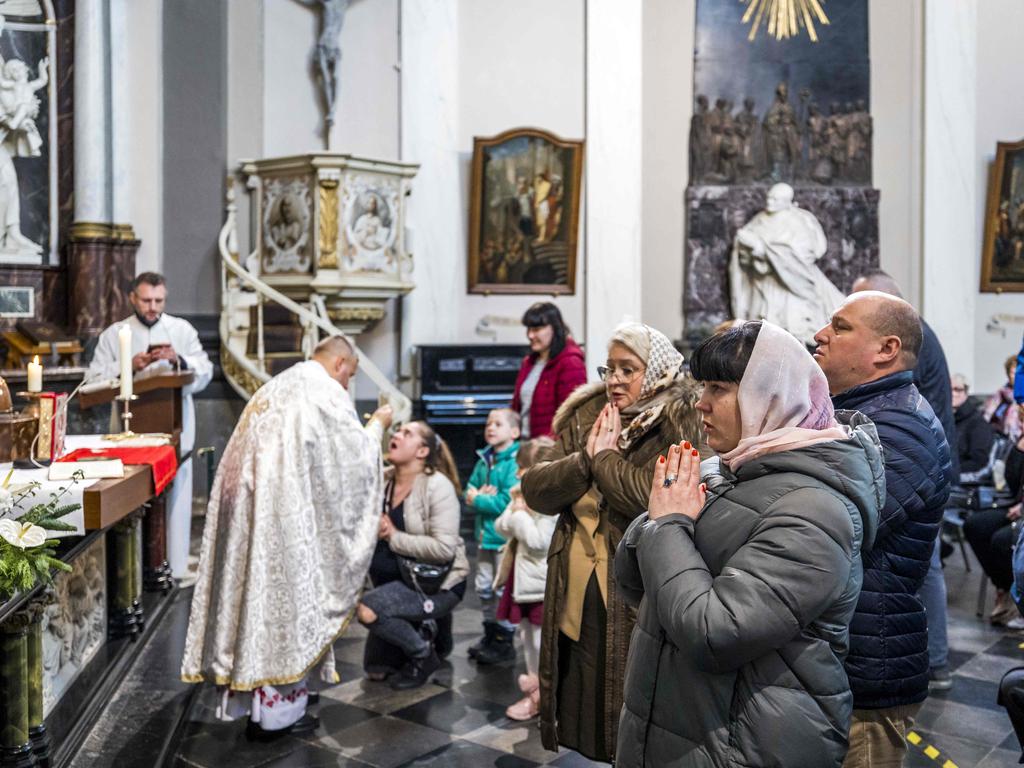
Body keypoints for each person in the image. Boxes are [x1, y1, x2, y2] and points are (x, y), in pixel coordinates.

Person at [614, 321, 882, 768]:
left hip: (746, 741)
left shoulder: (815, 510)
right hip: (690, 724)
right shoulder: (731, 470)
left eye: (717, 388)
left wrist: (668, 524)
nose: (700, 403)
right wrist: (661, 518)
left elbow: (715, 634)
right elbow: (638, 586)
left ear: (770, 395)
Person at [180, 336, 393, 736]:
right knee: (287, 609)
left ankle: (263, 705)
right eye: (351, 375)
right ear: (341, 364)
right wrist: (378, 426)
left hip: (253, 515)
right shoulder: (323, 392)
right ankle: (277, 718)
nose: (348, 384)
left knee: (261, 609)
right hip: (285, 523)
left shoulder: (277, 385)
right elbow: (353, 461)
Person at [521, 322, 702, 762]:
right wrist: (583, 458)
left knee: (635, 695)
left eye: (628, 369)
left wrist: (602, 459)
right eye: (609, 368)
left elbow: (657, 496)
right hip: (577, 580)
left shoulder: (683, 419)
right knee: (584, 691)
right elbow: (536, 489)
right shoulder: (586, 413)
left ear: (655, 369)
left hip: (637, 587)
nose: (615, 380)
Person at [812, 291, 952, 763]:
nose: (821, 334)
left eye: (841, 326)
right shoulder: (864, 413)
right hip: (849, 654)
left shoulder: (900, 427)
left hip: (870, 668)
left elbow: (830, 524)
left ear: (886, 349)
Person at [851, 269, 959, 693]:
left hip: (922, 459)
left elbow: (915, 415)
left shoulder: (918, 337)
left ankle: (938, 659)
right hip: (923, 454)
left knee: (923, 563)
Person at [88, 272, 213, 580]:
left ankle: (176, 564)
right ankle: (134, 572)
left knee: (178, 496)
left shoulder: (181, 330)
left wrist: (178, 360)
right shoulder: (115, 334)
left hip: (175, 425)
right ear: (133, 298)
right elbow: (92, 381)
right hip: (131, 428)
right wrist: (130, 366)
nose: (153, 306)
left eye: (159, 300)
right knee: (132, 498)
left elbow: (206, 369)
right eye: (146, 300)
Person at [357, 421, 469, 690]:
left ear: (422, 451)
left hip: (434, 583)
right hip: (392, 581)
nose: (396, 434)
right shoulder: (382, 480)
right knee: (376, 671)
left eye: (407, 433)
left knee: (367, 610)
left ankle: (423, 653)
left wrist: (393, 536)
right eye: (396, 431)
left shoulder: (436, 486)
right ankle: (426, 627)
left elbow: (443, 549)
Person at [729, 182, 844, 346]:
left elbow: (805, 255)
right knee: (760, 336)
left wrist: (765, 250)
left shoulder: (800, 221)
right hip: (764, 284)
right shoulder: (759, 220)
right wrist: (750, 251)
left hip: (792, 286)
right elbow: (744, 253)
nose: (770, 202)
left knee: (793, 332)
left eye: (776, 200)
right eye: (769, 198)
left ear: (787, 202)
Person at [492, 438, 558, 721]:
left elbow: (538, 540)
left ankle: (544, 695)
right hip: (523, 582)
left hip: (539, 584)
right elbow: (500, 526)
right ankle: (535, 689)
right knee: (527, 637)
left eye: (522, 468)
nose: (517, 474)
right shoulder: (522, 496)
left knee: (542, 642)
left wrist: (519, 516)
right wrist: (516, 511)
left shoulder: (548, 503)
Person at [465, 408, 521, 664]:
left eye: (498, 424)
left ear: (514, 432)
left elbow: (504, 502)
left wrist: (481, 498)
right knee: (483, 587)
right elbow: (469, 490)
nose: (490, 427)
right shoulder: (483, 460)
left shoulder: (514, 462)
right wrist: (479, 497)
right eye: (488, 423)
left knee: (501, 590)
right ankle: (490, 632)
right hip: (485, 536)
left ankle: (504, 639)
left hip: (502, 540)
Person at [965, 431, 1024, 627]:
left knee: (1002, 540)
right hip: (1015, 505)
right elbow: (1013, 482)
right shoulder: (1019, 435)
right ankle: (1005, 588)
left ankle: (1016, 597)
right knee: (975, 526)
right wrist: (1019, 448)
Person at [510, 302, 587, 439]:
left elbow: (570, 417)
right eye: (529, 329)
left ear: (555, 328)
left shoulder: (570, 362)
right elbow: (517, 408)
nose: (530, 335)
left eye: (536, 329)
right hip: (524, 447)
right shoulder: (529, 362)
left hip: (547, 450)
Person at [952, 373, 995, 482]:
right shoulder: (946, 418)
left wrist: (948, 472)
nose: (952, 393)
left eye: (957, 389)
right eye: (949, 389)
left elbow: (979, 461)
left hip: (964, 482)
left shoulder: (978, 423)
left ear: (966, 393)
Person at [983, 355, 1022, 445]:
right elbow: (987, 417)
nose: (1015, 376)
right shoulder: (1000, 395)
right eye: (1012, 373)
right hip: (1000, 441)